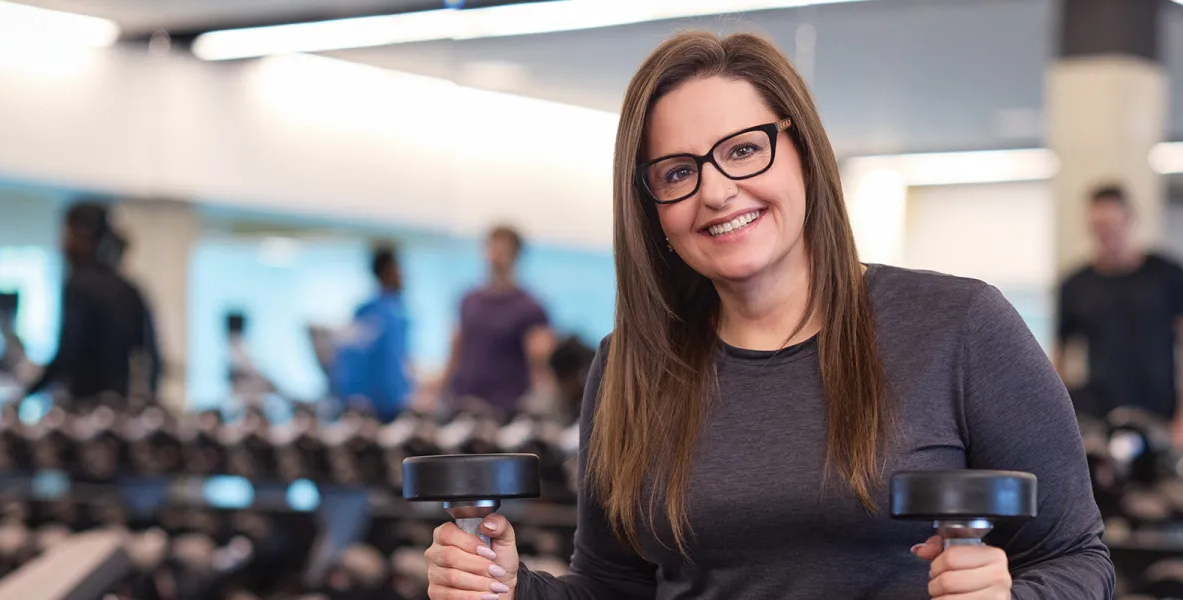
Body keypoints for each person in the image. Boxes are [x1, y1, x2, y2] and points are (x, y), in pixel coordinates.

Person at [425, 31, 1110, 599]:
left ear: (804, 154)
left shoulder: (960, 327)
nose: (718, 192)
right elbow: (614, 587)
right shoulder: (631, 365)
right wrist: (507, 586)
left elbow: (1079, 561)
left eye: (744, 149)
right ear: (653, 211)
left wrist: (1012, 597)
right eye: (676, 172)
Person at [1054, 185, 1183, 429]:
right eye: (1099, 227)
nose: (1107, 235)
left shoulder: (1166, 275)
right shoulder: (1075, 285)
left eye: (1113, 225)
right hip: (1099, 415)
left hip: (1161, 413)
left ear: (1131, 219)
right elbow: (1060, 357)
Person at [25, 202, 161, 408]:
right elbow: (152, 356)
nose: (63, 244)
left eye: (67, 234)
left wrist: (28, 392)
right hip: (120, 410)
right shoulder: (129, 289)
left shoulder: (79, 285)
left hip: (86, 410)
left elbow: (68, 352)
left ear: (82, 235)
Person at [443, 226, 556, 419]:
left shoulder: (530, 307)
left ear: (516, 256)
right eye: (493, 248)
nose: (496, 256)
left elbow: (540, 365)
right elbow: (455, 351)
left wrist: (544, 407)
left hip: (504, 411)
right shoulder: (469, 300)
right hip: (462, 404)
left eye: (503, 250)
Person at [331, 245, 412, 422]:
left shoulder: (397, 312)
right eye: (398, 269)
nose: (403, 275)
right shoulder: (370, 311)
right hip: (374, 407)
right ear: (388, 271)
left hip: (393, 403)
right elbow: (350, 358)